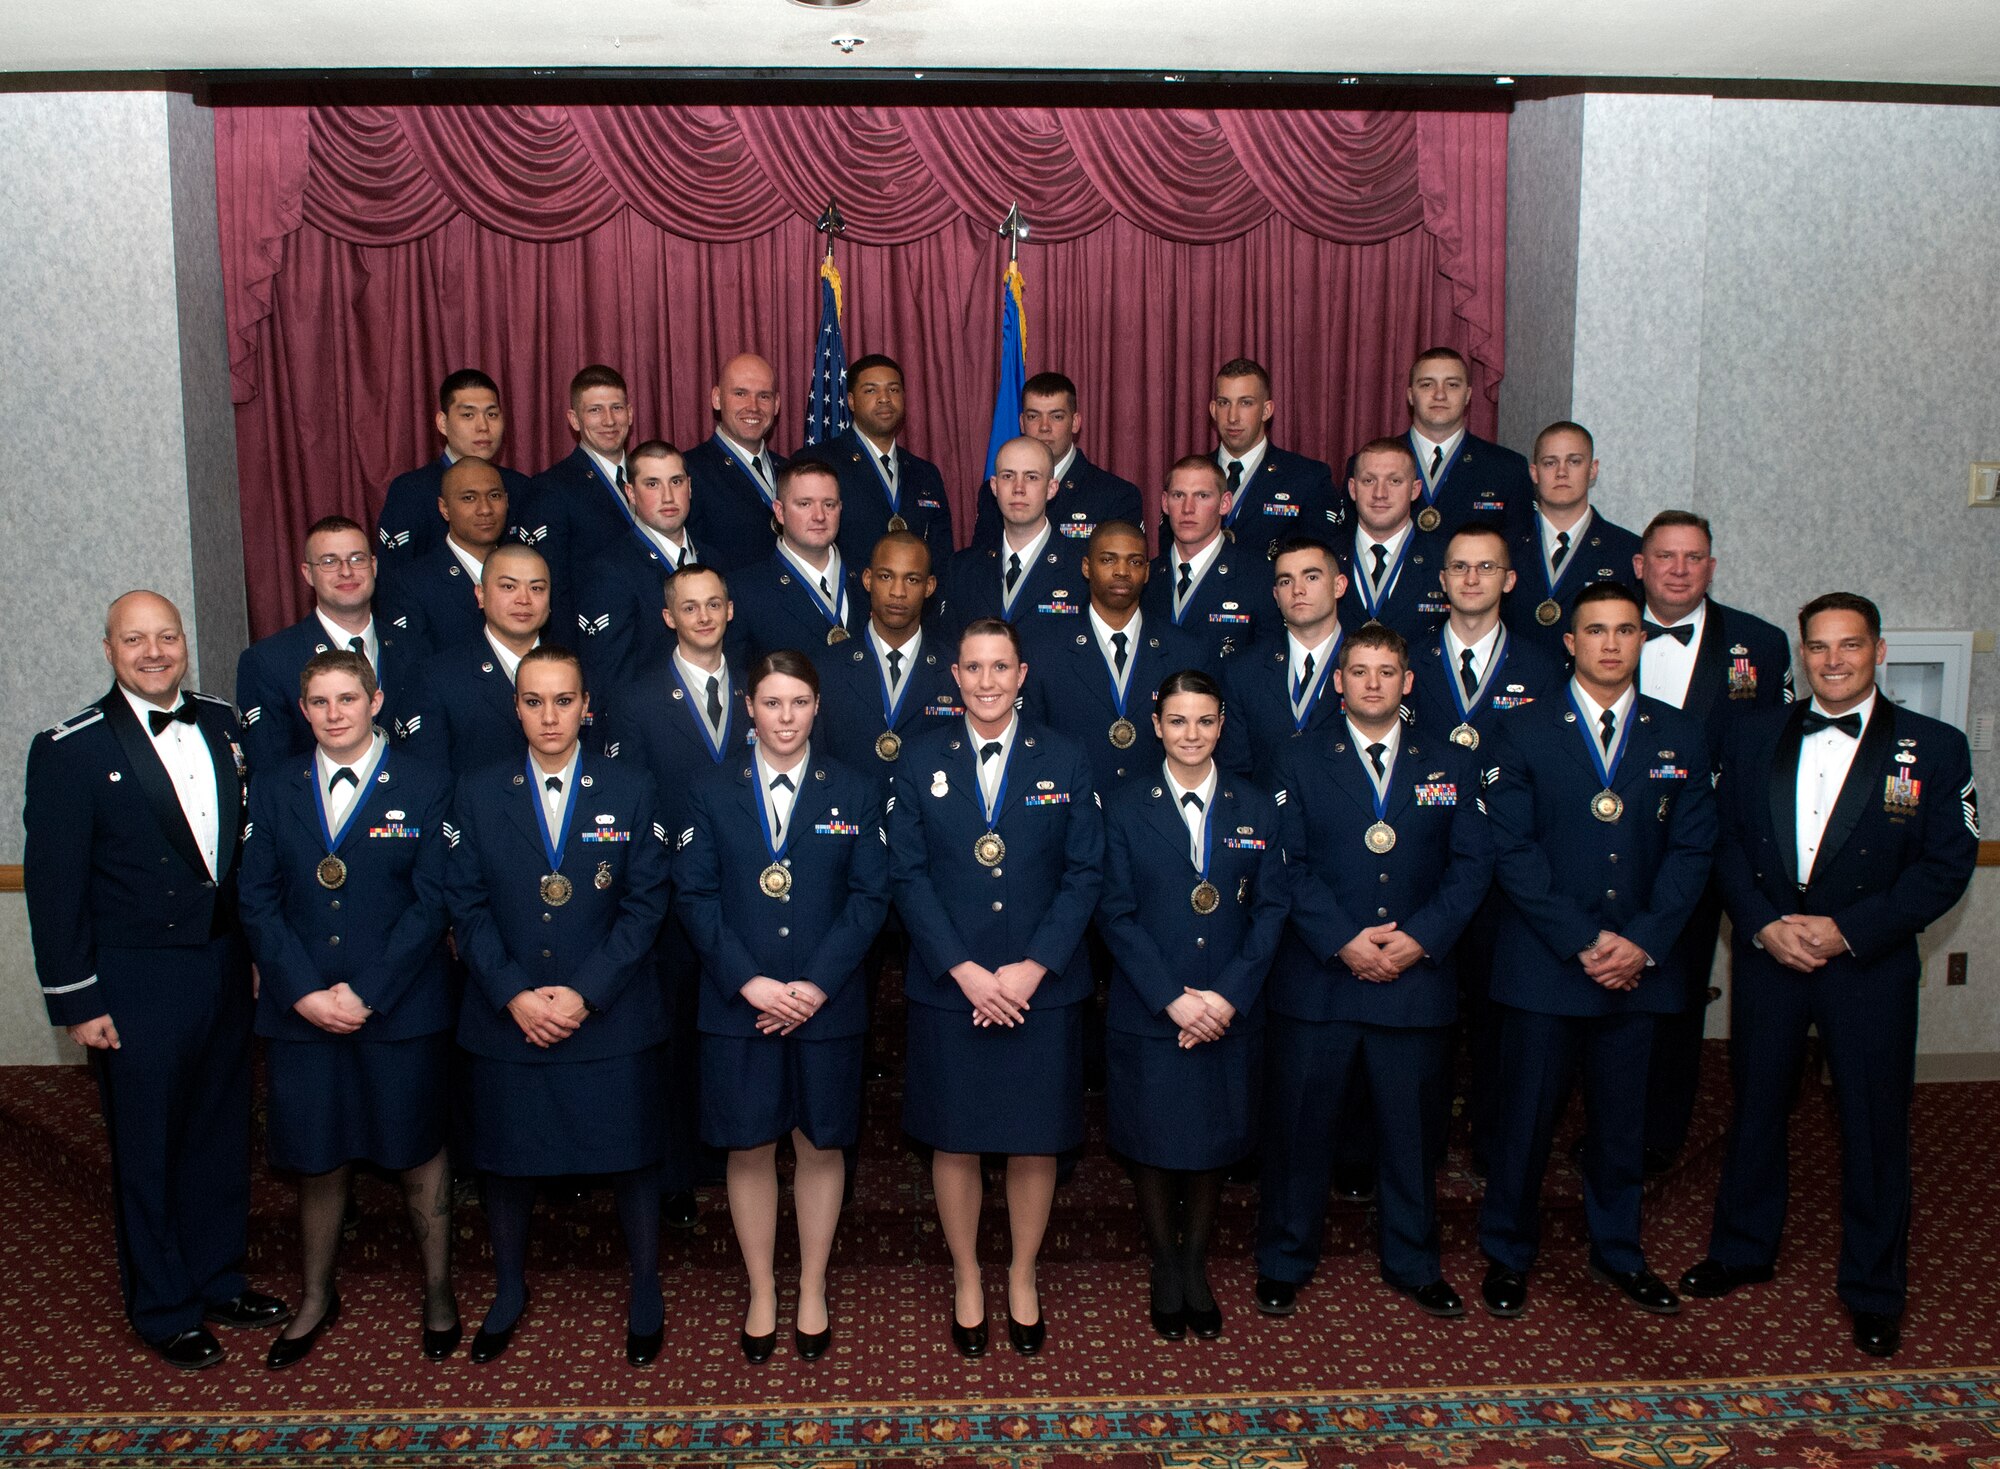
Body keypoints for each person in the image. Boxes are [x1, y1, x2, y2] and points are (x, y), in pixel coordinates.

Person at [1682, 593, 1977, 1359]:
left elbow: (1947, 864)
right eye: (1818, 647)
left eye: (1849, 646)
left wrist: (1849, 930)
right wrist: (1763, 924)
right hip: (1772, 953)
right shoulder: (1753, 735)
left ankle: (1875, 1286)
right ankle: (1742, 1248)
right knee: (1755, 1108)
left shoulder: (1935, 746)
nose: (1833, 660)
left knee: (1874, 1127)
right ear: (1802, 653)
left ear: (1878, 651)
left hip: (1866, 965)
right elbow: (1721, 844)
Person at [23, 591, 288, 1368]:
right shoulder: (68, 748)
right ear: (108, 649)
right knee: (148, 1144)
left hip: (221, 964)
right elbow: (54, 884)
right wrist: (77, 997)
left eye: (165, 636)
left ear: (183, 644)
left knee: (219, 1128)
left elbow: (241, 853)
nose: (153, 651)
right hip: (132, 981)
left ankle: (216, 1275)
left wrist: (255, 958)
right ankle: (163, 1303)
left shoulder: (222, 723)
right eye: (134, 639)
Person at [1476, 581, 1716, 1320]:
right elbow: (1511, 850)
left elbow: (1694, 849)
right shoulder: (1519, 731)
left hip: (1636, 971)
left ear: (1641, 641)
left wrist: (1640, 940)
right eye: (1596, 631)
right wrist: (1583, 938)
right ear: (1570, 643)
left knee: (1621, 1124)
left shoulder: (1679, 735)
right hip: (1548, 966)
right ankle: (1507, 1252)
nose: (1611, 643)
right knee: (1524, 1122)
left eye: (1624, 630)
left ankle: (1619, 1250)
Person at [444, 646, 672, 1366]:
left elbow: (645, 902)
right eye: (535, 700)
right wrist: (513, 991)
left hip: (608, 1010)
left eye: (563, 700)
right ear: (515, 708)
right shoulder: (478, 792)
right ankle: (508, 1287)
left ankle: (645, 1286)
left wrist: (584, 991)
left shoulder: (631, 786)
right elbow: (466, 903)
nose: (550, 715)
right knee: (507, 1160)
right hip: (507, 1012)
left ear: (587, 706)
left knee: (632, 1155)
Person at [1256, 626, 1492, 1320]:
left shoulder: (1450, 761)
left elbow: (1473, 863)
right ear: (1338, 681)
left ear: (1408, 681)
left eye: (1387, 671)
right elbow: (1285, 863)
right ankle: (1285, 1259)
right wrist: (1343, 940)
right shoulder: (1297, 759)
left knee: (1412, 1134)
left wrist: (1418, 939)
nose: (1372, 683)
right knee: (1300, 1132)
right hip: (1320, 979)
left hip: (1416, 982)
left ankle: (1414, 1260)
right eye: (1359, 671)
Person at [236, 651, 458, 1367]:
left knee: (418, 1148)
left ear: (376, 700)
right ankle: (314, 1294)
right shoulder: (273, 788)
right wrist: (301, 990)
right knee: (317, 1155)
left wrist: (368, 991)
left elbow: (432, 901)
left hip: (398, 1006)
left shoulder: (426, 783)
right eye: (321, 701)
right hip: (302, 1011)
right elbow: (257, 898)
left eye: (348, 699)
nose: (335, 713)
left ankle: (438, 1289)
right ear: (303, 710)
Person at [888, 619, 1104, 1357]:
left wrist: (1033, 966)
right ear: (956, 675)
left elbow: (1084, 874)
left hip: (1039, 986)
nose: (986, 681)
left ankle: (1021, 1272)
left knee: (1032, 1141)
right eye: (973, 668)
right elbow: (907, 876)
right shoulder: (919, 761)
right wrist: (967, 971)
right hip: (954, 985)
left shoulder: (1067, 758)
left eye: (1000, 668)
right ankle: (966, 1274)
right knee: (956, 1139)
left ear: (1022, 675)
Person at [675, 651, 890, 1362]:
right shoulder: (708, 790)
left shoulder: (855, 791)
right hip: (742, 1004)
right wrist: (751, 982)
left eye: (799, 702)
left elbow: (870, 897)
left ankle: (815, 1284)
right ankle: (763, 1286)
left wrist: (817, 984)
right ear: (749, 707)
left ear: (817, 706)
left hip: (826, 1003)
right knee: (750, 1144)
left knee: (820, 1143)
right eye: (772, 703)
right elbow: (696, 897)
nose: (786, 717)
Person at [1099, 670, 1286, 1340]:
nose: (1191, 734)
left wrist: (1227, 996)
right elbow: (1115, 913)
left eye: (1204, 721)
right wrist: (1173, 999)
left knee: (1212, 1140)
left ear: (1221, 724)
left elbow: (1271, 911)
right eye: (1177, 721)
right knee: (1153, 1142)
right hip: (1154, 1008)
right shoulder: (1122, 806)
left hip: (1227, 1007)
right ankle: (1164, 1263)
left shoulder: (1257, 807)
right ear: (1156, 725)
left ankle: (1196, 1264)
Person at [1632, 510, 1793, 1173]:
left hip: (1707, 848)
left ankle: (1660, 1134)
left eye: (1693, 557)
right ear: (1640, 565)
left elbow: (1773, 751)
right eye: (1665, 556)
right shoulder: (1602, 628)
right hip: (1614, 840)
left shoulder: (1760, 642)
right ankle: (1599, 1122)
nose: (1678, 569)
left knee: (1679, 990)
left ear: (1711, 567)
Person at [1406, 521, 1566, 1171]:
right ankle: (1422, 1140)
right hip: (1430, 871)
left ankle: (1492, 1141)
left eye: (1486, 567)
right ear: (1442, 581)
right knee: (1428, 1020)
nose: (1472, 579)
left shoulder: (1544, 665)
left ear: (1510, 579)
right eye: (1460, 567)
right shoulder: (1405, 661)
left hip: (1510, 873)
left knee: (1503, 1018)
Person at [601, 562, 754, 1229]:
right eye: (688, 607)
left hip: (749, 896)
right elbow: (630, 802)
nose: (702, 616)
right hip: (667, 894)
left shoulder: (762, 690)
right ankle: (675, 1170)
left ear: (729, 610)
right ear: (668, 617)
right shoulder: (635, 700)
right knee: (672, 1034)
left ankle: (739, 1149)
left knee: (736, 1030)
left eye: (714, 604)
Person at [1022, 521, 1205, 795]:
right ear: (1086, 567)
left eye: (1134, 561)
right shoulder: (1045, 652)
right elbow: (1033, 746)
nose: (1121, 571)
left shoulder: (1184, 652)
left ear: (1146, 572)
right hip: (1075, 815)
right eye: (1108, 560)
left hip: (1157, 818)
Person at [235, 515, 422, 772]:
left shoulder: (416, 649)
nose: (346, 571)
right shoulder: (269, 661)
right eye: (329, 562)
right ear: (308, 574)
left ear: (374, 566)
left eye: (357, 559)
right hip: (318, 806)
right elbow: (270, 772)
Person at [572, 439, 734, 702]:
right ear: (631, 493)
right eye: (652, 484)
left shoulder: (716, 560)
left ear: (690, 487)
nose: (668, 496)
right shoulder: (610, 570)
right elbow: (611, 679)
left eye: (676, 482)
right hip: (654, 722)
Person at [400, 544, 553, 774]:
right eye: (509, 586)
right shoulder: (438, 678)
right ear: (480, 595)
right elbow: (427, 782)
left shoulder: (577, 673)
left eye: (537, 588)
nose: (524, 599)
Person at [1501, 422, 1641, 660]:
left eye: (1574, 461)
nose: (1562, 472)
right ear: (1534, 473)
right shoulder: (1503, 546)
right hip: (1515, 687)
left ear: (1593, 469)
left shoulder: (1627, 550)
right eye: (1550, 463)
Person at [1218, 538, 1350, 785]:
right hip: (1269, 817)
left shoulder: (1369, 665)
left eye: (1311, 577)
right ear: (1276, 596)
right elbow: (1235, 773)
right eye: (1286, 581)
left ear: (1339, 586)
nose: (1298, 590)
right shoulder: (1244, 672)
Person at [374, 368, 537, 566]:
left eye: (492, 414)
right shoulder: (412, 490)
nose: (483, 426)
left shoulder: (521, 487)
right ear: (443, 423)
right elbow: (394, 576)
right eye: (468, 415)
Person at [971, 371, 1142, 551]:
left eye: (1056, 416)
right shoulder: (994, 493)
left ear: (1075, 422)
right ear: (1021, 423)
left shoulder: (1115, 496)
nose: (1044, 427)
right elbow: (983, 565)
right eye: (1033, 416)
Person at [825, 354, 955, 574]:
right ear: (851, 401)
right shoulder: (822, 463)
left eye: (893, 390)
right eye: (871, 390)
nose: (884, 398)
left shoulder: (925, 473)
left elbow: (941, 557)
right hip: (845, 603)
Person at [1203, 357, 1341, 562]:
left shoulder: (1307, 478)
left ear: (1266, 410)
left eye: (1246, 403)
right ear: (1213, 409)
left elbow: (1319, 563)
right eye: (1224, 403)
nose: (1232, 417)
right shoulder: (1190, 476)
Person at [731, 460, 868, 661]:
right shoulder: (744, 590)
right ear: (779, 511)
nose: (819, 516)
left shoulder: (867, 578)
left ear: (840, 508)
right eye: (805, 504)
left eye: (829, 504)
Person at [939, 437, 1079, 635]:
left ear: (1051, 488)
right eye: (1008, 476)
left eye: (1031, 477)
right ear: (994, 486)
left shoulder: (1079, 569)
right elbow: (948, 648)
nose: (1018, 488)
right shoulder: (963, 569)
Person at [526, 364, 636, 610]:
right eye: (595, 410)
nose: (609, 421)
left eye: (616, 408)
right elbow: (553, 587)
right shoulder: (551, 489)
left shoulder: (650, 477)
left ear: (629, 413)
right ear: (574, 420)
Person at [1396, 348, 1533, 539]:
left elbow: (1519, 549)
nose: (1440, 395)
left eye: (1452, 385)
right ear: (1410, 395)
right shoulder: (1370, 464)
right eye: (1427, 385)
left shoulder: (1507, 469)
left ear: (1468, 395)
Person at [383, 457, 512, 656]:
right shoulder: (412, 584)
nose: (485, 509)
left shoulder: (527, 571)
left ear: (507, 500)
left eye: (494, 496)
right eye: (469, 498)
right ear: (444, 508)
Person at [1142, 457, 1262, 664]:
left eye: (1202, 496)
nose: (1188, 508)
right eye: (1178, 495)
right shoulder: (1145, 578)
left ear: (1224, 503)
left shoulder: (1257, 579)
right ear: (1164, 503)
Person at [683, 353, 789, 572]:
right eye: (740, 393)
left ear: (777, 404)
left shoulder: (790, 470)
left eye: (764, 396)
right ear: (717, 399)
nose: (753, 407)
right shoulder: (688, 471)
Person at [1338, 438, 1450, 643]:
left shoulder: (1444, 560)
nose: (1380, 494)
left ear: (1415, 490)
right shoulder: (1327, 555)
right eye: (1369, 481)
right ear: (1353, 489)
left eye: (1394, 481)